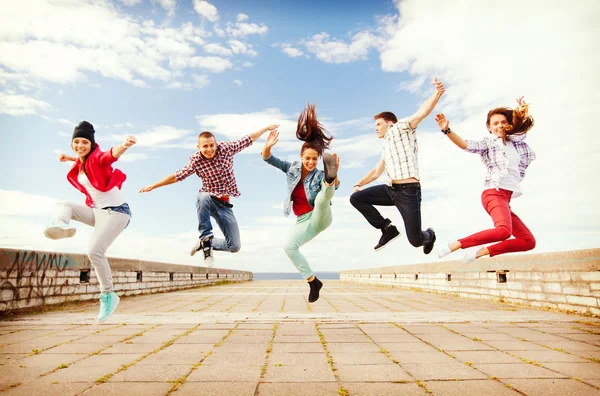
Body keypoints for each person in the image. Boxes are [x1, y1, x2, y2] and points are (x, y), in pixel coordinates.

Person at [139, 125, 278, 267]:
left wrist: (266, 128)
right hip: (209, 201)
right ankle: (205, 237)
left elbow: (248, 139)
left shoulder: (226, 149)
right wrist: (154, 186)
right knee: (203, 196)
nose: (209, 149)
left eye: (212, 145)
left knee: (234, 246)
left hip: (225, 205)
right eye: (205, 146)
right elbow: (177, 176)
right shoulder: (196, 160)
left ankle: (207, 242)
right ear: (198, 147)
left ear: (216, 144)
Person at [44, 121, 136, 322]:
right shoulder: (80, 163)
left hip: (117, 213)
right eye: (76, 142)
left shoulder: (97, 159)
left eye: (84, 142)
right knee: (63, 204)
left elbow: (109, 156)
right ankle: (60, 225)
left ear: (92, 144)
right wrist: (67, 157)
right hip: (98, 212)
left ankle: (108, 295)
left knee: (94, 252)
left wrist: (125, 145)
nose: (80, 145)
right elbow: (78, 160)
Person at [349, 78, 445, 253]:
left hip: (409, 191)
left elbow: (421, 113)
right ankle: (387, 228)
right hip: (390, 190)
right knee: (356, 198)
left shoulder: (401, 128)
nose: (375, 128)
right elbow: (376, 172)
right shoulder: (386, 147)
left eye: (378, 124)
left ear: (390, 123)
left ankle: (430, 235)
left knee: (415, 241)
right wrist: (359, 184)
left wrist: (437, 93)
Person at [435, 97, 536, 262]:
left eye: (503, 122)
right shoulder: (488, 144)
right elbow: (465, 144)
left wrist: (521, 109)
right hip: (493, 193)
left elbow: (521, 130)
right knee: (504, 231)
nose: (500, 126)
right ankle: (456, 245)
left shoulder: (517, 145)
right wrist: (447, 130)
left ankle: (482, 251)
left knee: (528, 241)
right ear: (489, 127)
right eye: (495, 123)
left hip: (505, 198)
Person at [261, 104, 339, 303]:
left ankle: (330, 177)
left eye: (315, 159)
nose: (311, 162)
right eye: (308, 158)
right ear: (301, 157)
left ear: (318, 159)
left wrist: (333, 177)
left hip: (320, 215)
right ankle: (313, 282)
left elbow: (335, 190)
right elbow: (269, 159)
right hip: (303, 220)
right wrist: (268, 146)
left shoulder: (319, 173)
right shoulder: (292, 169)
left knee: (323, 197)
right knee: (289, 247)